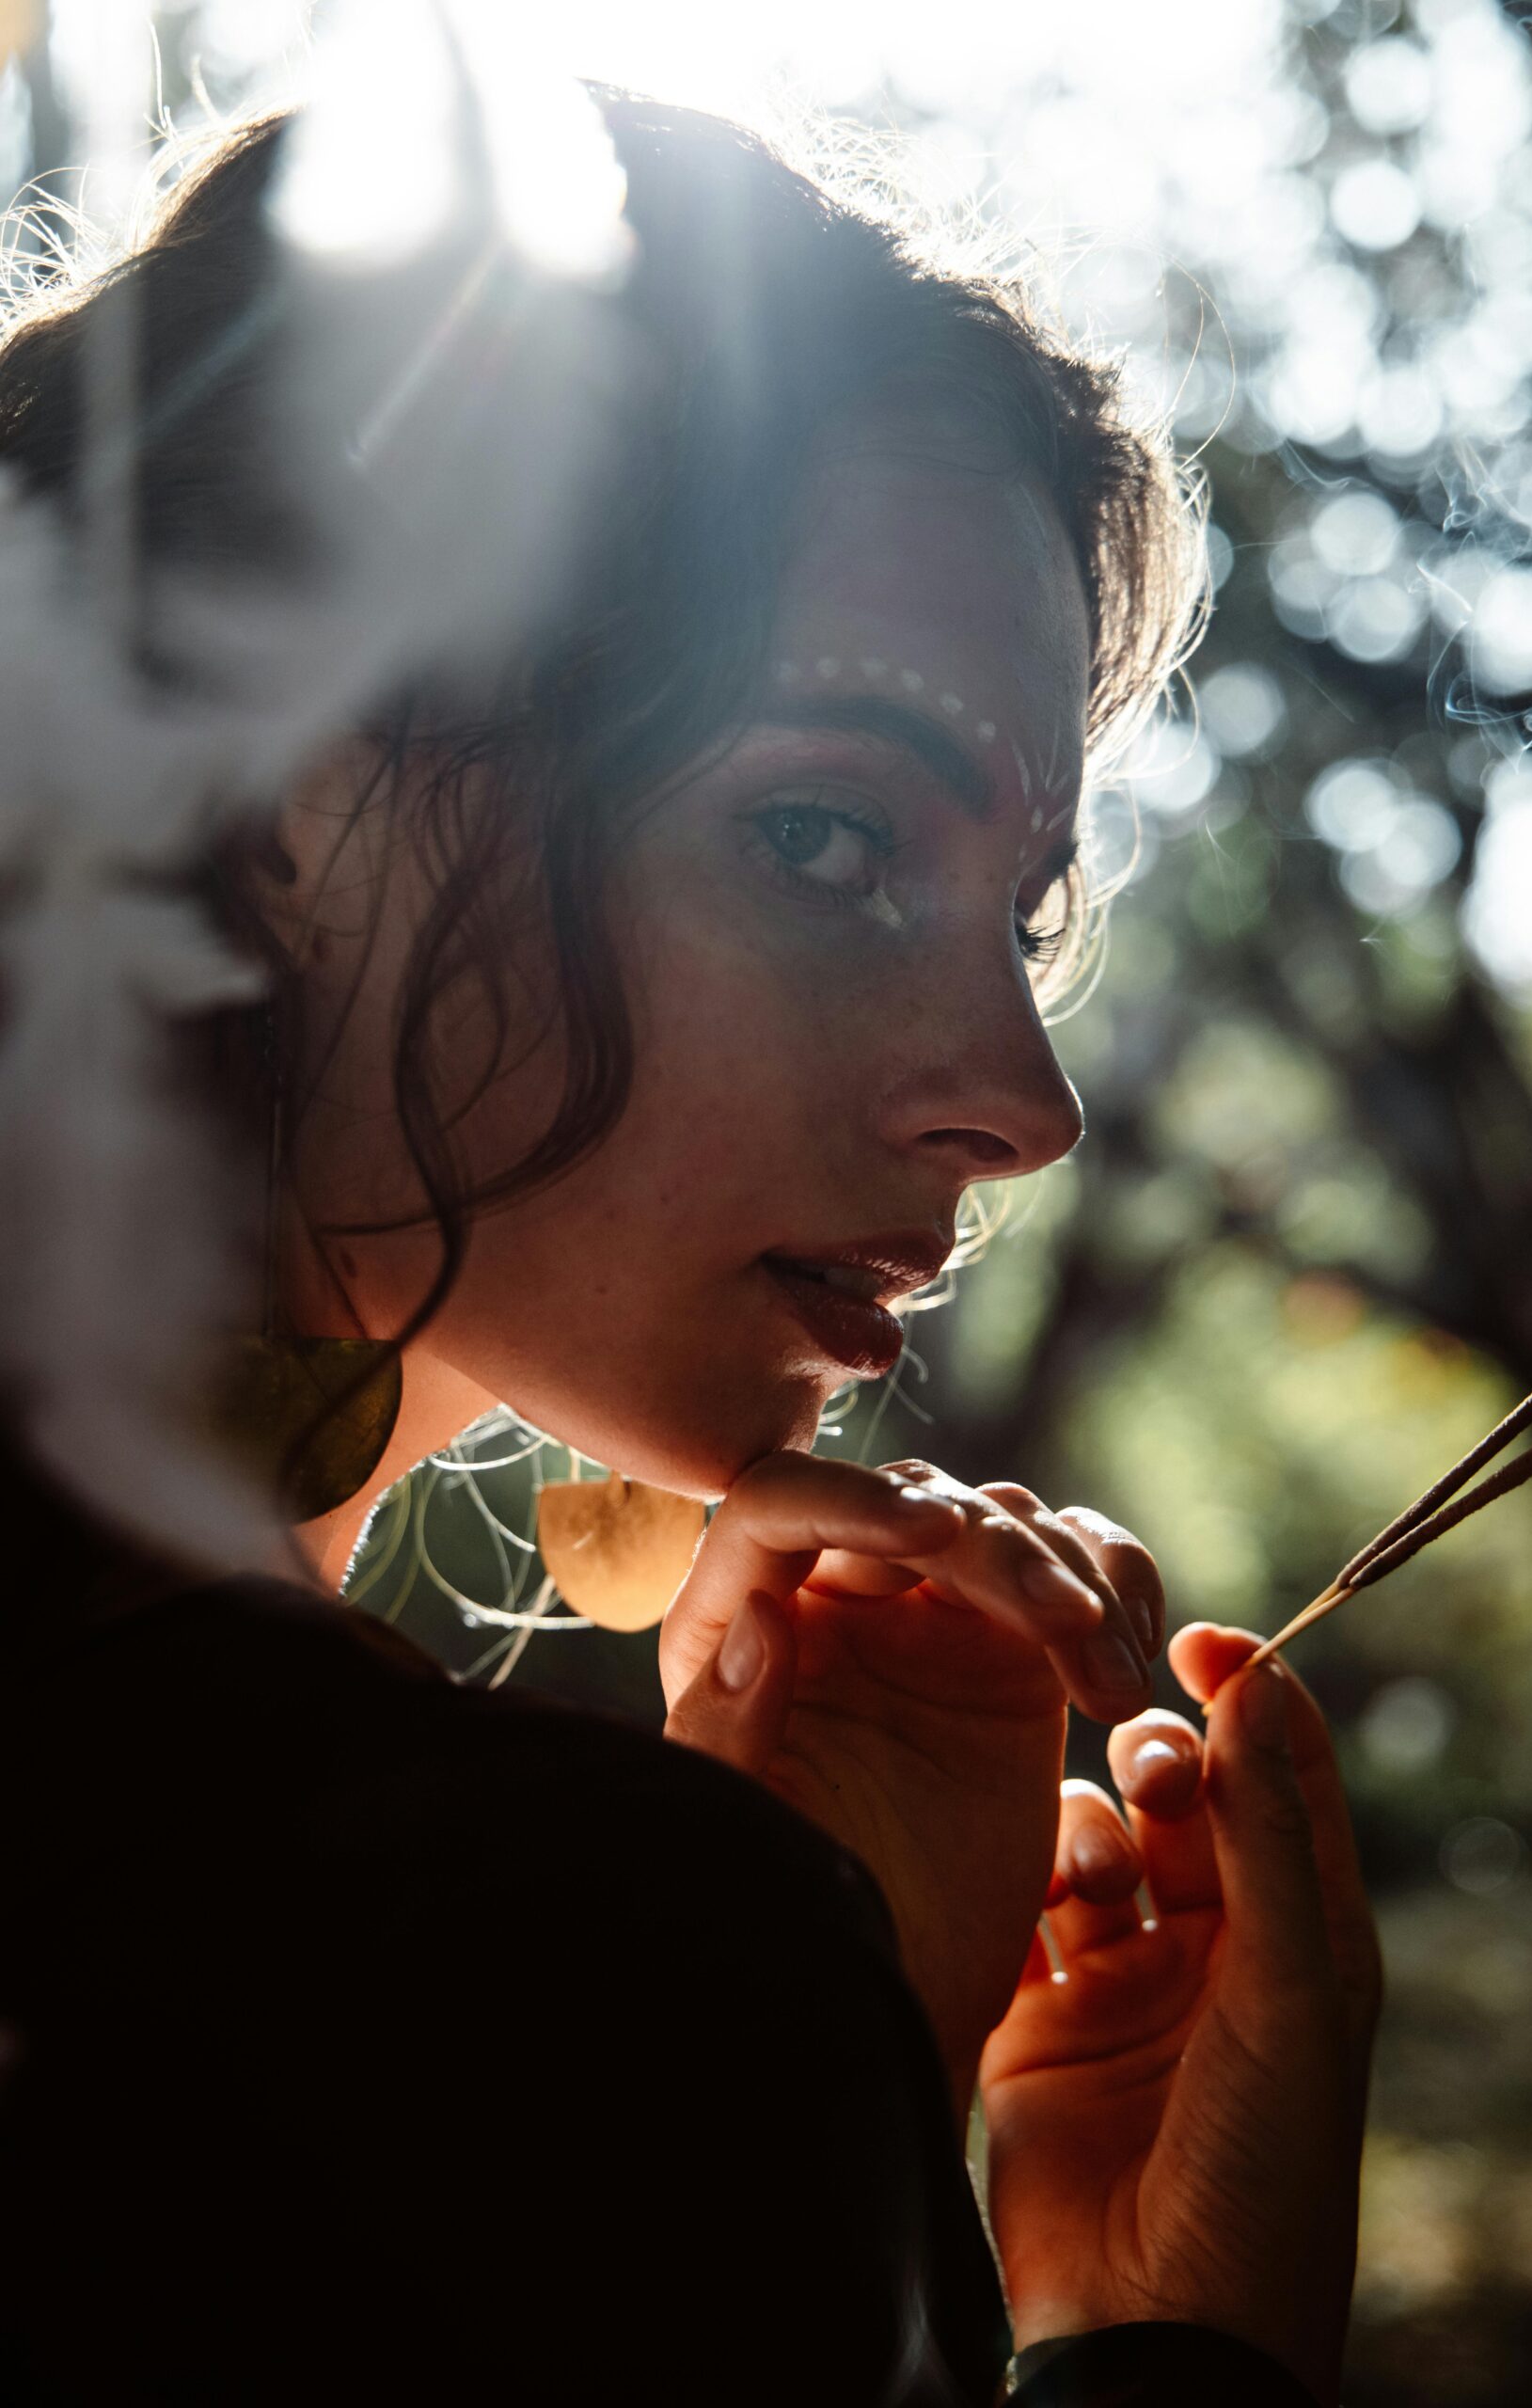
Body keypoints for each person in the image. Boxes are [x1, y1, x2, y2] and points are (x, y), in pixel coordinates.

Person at [0, 88, 1381, 2405]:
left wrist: (848, 2052)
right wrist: (1158, 2343)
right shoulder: (546, 1966)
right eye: (825, 833)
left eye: (1022, 915)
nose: (1022, 1104)